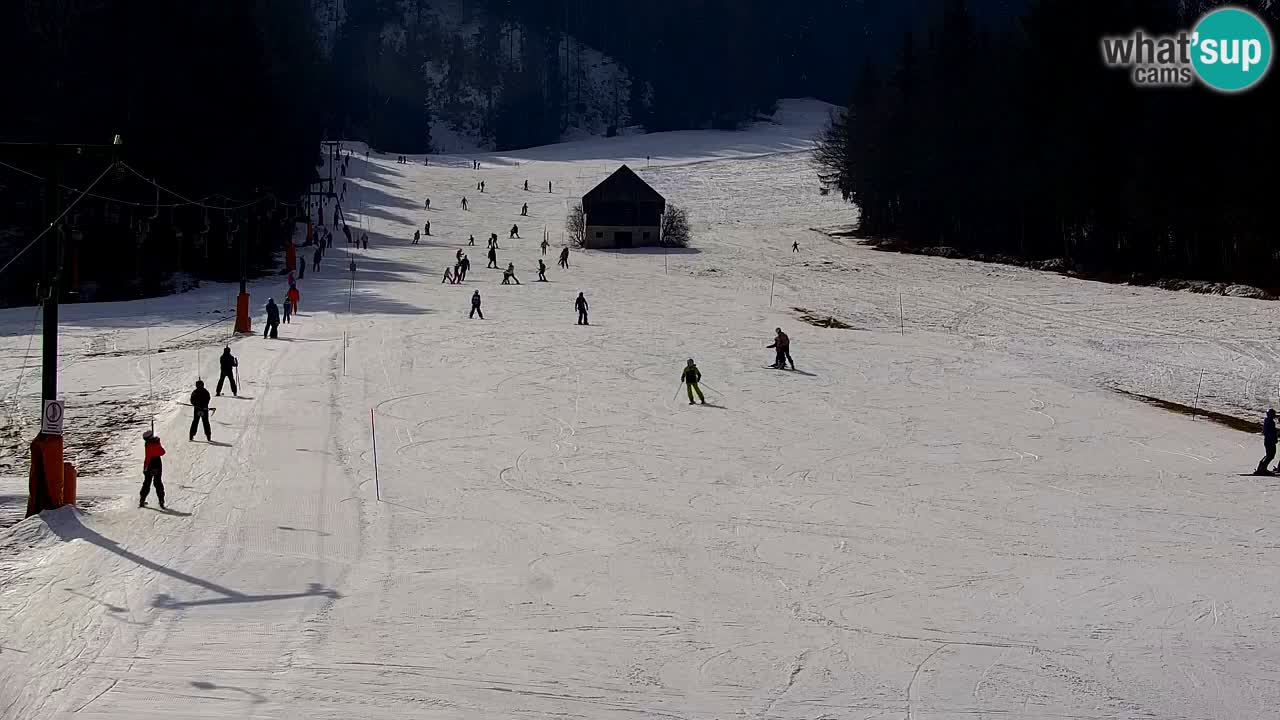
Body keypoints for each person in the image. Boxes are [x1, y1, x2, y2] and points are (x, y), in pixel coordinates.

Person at [140, 430, 166, 509]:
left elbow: (148, 457)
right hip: (157, 464)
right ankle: (161, 500)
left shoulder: (147, 445)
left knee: (147, 483)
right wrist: (158, 443)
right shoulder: (156, 442)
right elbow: (162, 452)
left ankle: (142, 499)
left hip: (149, 465)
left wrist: (145, 468)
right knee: (158, 483)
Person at [1258, 409, 1278, 475]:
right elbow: (1271, 432)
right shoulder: (1271, 422)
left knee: (1269, 455)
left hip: (1267, 440)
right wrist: (1274, 439)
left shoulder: (1267, 421)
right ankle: (1263, 469)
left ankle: (1261, 468)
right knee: (1270, 455)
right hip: (1270, 441)